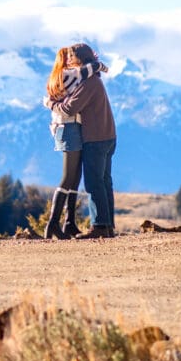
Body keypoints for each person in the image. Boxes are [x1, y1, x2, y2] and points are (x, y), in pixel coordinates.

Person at [53, 43, 117, 239]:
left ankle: (98, 226)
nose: (69, 60)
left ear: (80, 59)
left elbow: (70, 108)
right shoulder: (95, 79)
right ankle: (107, 226)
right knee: (105, 182)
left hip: (95, 138)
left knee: (93, 183)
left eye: (72, 56)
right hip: (108, 136)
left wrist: (52, 104)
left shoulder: (88, 83)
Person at [42, 47, 106, 239]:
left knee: (75, 177)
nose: (71, 61)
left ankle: (69, 222)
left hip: (71, 128)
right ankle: (53, 223)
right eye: (67, 57)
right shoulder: (66, 75)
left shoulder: (63, 77)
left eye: (72, 57)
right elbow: (90, 70)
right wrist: (100, 65)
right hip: (68, 128)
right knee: (69, 177)